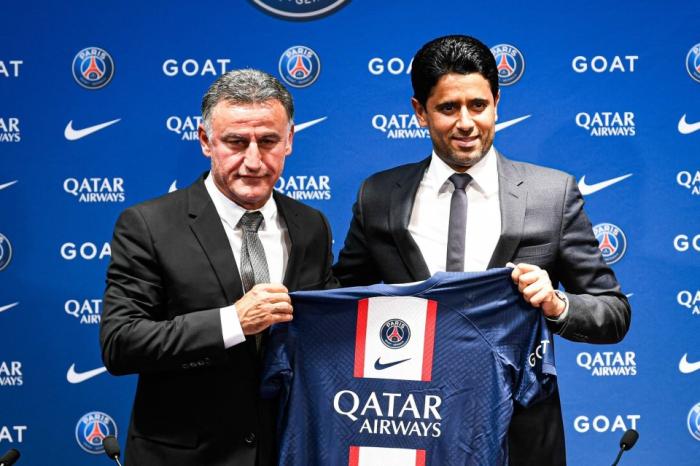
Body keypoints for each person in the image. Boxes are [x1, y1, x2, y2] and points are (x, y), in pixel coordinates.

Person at [332, 35, 631, 466]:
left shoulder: (552, 194)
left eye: (478, 105)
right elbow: (340, 303)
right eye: (448, 108)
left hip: (518, 437)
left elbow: (614, 313)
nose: (466, 123)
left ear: (497, 104)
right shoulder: (378, 195)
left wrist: (556, 303)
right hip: (408, 429)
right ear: (420, 111)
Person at [100, 69, 336, 466]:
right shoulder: (148, 225)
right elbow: (121, 344)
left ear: (290, 140)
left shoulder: (311, 225)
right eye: (236, 142)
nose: (253, 161)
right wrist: (233, 322)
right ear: (205, 140)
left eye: (268, 141)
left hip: (286, 451)